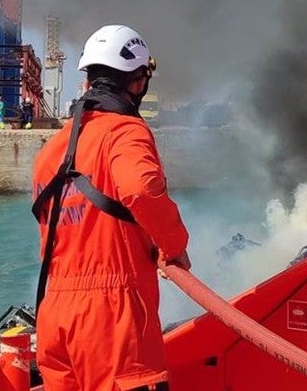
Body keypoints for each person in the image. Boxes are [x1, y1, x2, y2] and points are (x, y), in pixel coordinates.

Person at [30, 24, 190, 391]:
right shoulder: (124, 132)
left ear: (87, 82)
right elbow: (141, 188)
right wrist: (174, 246)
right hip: (111, 317)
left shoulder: (50, 151)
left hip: (55, 314)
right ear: (137, 83)